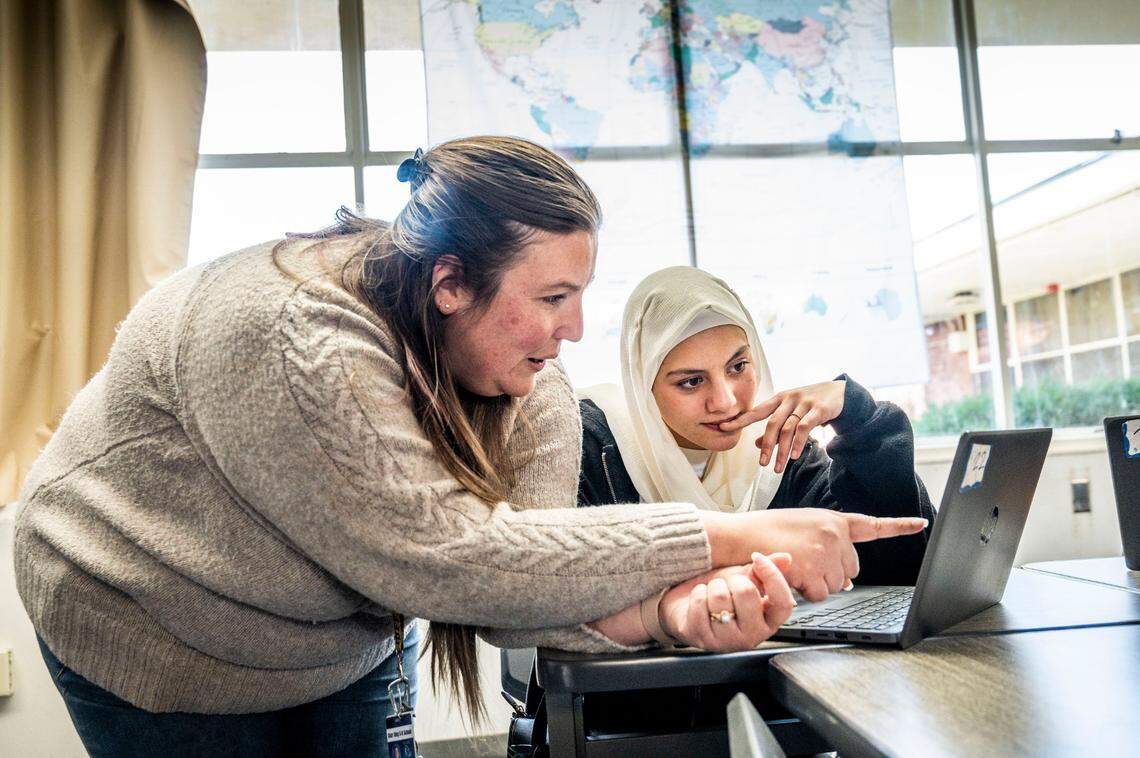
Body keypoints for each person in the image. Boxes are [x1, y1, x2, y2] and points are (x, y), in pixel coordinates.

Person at [13, 136, 923, 756]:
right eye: (553, 298)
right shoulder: (293, 333)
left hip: (331, 638)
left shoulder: (531, 381)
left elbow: (528, 582)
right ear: (450, 283)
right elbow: (445, 556)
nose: (575, 329)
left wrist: (673, 615)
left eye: (579, 296)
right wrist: (727, 538)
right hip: (150, 620)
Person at [579, 266, 936, 600]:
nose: (725, 401)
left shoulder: (776, 449)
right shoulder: (591, 448)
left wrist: (857, 415)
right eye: (691, 381)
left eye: (738, 366)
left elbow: (900, 569)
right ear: (643, 386)